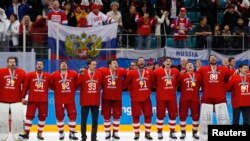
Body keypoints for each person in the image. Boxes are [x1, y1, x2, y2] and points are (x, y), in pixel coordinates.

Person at [197, 55, 231, 141]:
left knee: (224, 120)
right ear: (208, 60)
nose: (213, 58)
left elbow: (228, 79)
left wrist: (222, 89)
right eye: (211, 57)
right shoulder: (203, 69)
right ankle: (204, 138)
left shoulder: (223, 69)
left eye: (214, 57)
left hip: (220, 98)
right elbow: (198, 81)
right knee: (205, 120)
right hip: (207, 98)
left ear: (217, 59)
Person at [18, 60, 51, 140]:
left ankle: (39, 134)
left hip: (43, 101)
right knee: (29, 117)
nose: (39, 65)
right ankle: (26, 133)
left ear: (43, 66)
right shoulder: (30, 75)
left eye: (41, 64)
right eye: (38, 64)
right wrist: (23, 97)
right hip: (32, 100)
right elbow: (25, 87)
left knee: (42, 118)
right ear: (36, 65)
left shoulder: (47, 75)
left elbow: (52, 86)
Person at [124, 57, 153, 141]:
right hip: (135, 98)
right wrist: (131, 92)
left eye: (143, 61)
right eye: (140, 61)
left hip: (147, 98)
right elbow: (126, 83)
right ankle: (137, 133)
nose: (141, 62)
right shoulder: (132, 72)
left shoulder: (149, 72)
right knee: (135, 116)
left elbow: (154, 83)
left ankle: (147, 133)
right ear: (137, 63)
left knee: (148, 115)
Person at [98, 59, 126, 141]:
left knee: (117, 116)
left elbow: (129, 75)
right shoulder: (103, 70)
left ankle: (115, 132)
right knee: (106, 116)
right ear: (109, 65)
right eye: (114, 63)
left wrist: (121, 86)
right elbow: (94, 72)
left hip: (117, 97)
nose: (116, 64)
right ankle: (107, 132)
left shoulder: (120, 71)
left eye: (117, 63)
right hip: (106, 97)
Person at [153, 57, 179, 140]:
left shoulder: (175, 71)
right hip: (161, 97)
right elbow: (153, 82)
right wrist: (159, 88)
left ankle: (172, 132)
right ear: (163, 63)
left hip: (172, 97)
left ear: (171, 63)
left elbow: (178, 82)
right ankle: (159, 131)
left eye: (170, 61)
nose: (168, 62)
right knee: (160, 115)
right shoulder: (157, 71)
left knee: (173, 115)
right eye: (166, 61)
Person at [0, 56, 26, 141]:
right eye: (10, 62)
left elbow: (25, 86)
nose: (12, 63)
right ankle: (2, 135)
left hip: (17, 100)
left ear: (16, 63)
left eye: (14, 62)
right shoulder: (1, 71)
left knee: (18, 119)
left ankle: (17, 135)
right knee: (2, 119)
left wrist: (23, 97)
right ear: (7, 63)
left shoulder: (21, 72)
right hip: (2, 100)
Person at [51, 61, 78, 140]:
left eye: (65, 64)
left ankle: (72, 133)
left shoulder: (73, 74)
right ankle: (61, 133)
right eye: (62, 64)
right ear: (59, 66)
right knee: (59, 117)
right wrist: (57, 90)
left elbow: (76, 83)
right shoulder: (54, 74)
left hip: (70, 100)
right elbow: (51, 85)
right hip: (59, 100)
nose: (63, 64)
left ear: (67, 66)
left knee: (73, 116)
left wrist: (72, 90)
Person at [77, 59, 102, 141]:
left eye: (95, 64)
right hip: (85, 101)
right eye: (93, 64)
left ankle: (93, 138)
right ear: (89, 65)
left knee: (95, 121)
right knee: (83, 121)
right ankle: (83, 137)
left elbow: (103, 84)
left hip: (95, 101)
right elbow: (76, 85)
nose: (95, 66)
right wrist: (80, 75)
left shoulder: (99, 74)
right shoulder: (83, 73)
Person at [178, 62, 201, 140]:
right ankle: (183, 132)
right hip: (184, 99)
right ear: (185, 67)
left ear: (194, 67)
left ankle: (194, 132)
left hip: (195, 99)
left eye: (191, 65)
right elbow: (176, 84)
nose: (190, 66)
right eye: (188, 65)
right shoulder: (182, 75)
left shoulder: (198, 75)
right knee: (182, 116)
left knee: (196, 116)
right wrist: (179, 75)